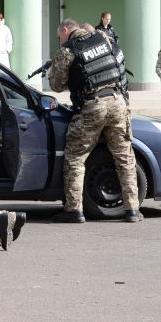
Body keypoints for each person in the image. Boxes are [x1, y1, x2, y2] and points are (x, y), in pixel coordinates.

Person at [47, 18, 140, 223]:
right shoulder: (104, 38)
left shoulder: (67, 51)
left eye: (59, 36)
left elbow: (57, 86)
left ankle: (73, 210)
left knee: (75, 158)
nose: (59, 41)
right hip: (118, 102)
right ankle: (133, 209)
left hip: (93, 106)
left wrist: (53, 69)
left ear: (65, 30)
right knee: (124, 157)